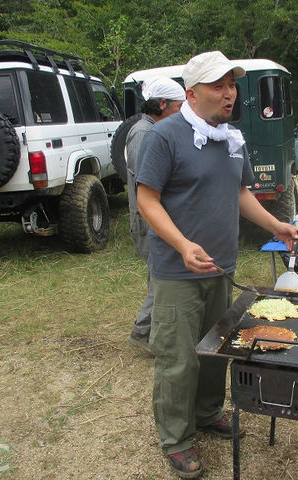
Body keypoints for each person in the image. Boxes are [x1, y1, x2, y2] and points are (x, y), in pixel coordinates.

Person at [136, 51, 298, 479]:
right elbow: (146, 200)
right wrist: (182, 244)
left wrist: (276, 225)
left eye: (232, 86)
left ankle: (207, 414)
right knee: (178, 359)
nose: (230, 95)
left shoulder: (231, 138)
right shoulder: (165, 136)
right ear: (191, 92)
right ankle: (175, 439)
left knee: (215, 352)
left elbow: (240, 192)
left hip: (220, 267)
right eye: (219, 86)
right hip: (178, 271)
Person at [126, 76, 186, 351]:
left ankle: (151, 334)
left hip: (153, 217)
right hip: (147, 220)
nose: (180, 114)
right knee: (159, 280)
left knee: (159, 277)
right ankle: (143, 334)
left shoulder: (152, 129)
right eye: (177, 107)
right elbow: (148, 182)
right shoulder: (144, 133)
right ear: (161, 104)